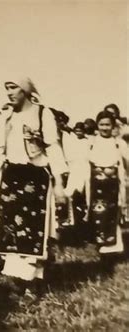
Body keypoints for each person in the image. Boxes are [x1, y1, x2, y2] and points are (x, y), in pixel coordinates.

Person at [0, 77, 67, 296]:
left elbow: (53, 148)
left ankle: (32, 284)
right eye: (6, 88)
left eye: (13, 87)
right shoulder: (7, 116)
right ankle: (21, 281)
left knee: (32, 232)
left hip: (35, 179)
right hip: (11, 178)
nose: (9, 92)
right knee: (12, 231)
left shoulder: (42, 113)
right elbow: (1, 147)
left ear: (26, 90)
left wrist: (59, 184)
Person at [66, 111, 127, 272]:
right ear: (97, 126)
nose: (105, 128)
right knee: (99, 219)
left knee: (112, 219)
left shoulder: (118, 143)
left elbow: (126, 162)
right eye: (101, 124)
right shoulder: (91, 143)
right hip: (96, 188)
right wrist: (75, 186)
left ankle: (111, 256)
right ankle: (102, 252)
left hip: (113, 187)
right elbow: (83, 164)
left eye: (108, 124)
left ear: (113, 126)